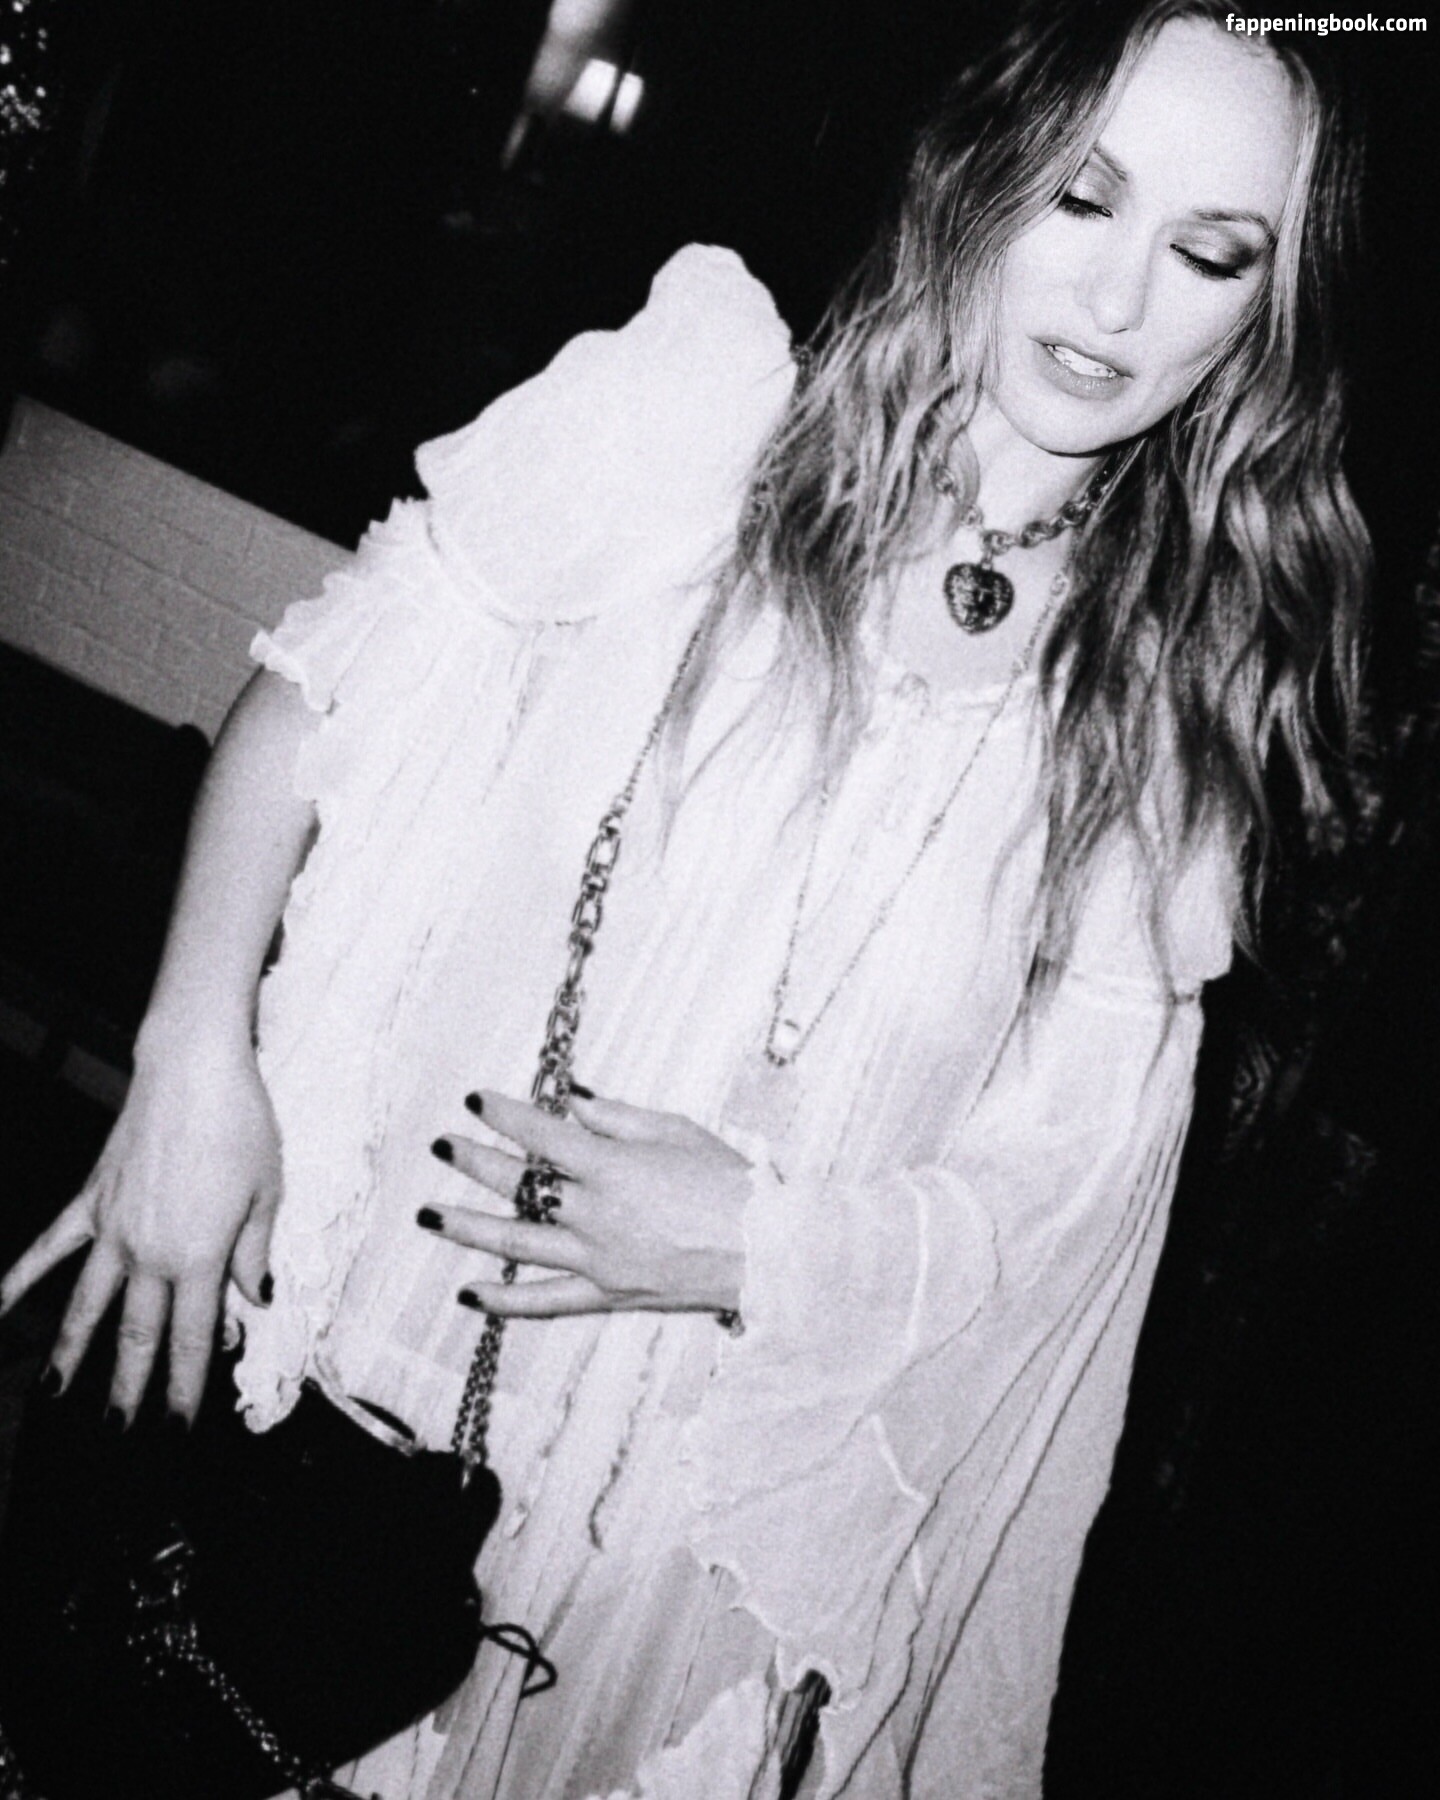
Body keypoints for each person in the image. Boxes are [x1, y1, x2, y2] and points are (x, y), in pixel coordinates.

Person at [0, 2, 1368, 1795]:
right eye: (1081, 197)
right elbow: (320, 702)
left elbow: (1054, 1207)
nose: (1118, 302)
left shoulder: (1165, 729)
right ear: (980, 170)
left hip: (673, 1542)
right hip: (380, 1372)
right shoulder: (695, 423)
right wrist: (192, 1064)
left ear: (1261, 317)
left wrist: (753, 1243)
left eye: (1207, 253)